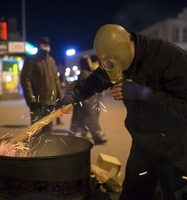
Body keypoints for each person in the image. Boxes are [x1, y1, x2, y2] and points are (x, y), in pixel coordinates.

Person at [56, 24, 187, 200]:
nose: (113, 71)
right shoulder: (112, 60)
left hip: (175, 147)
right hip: (142, 143)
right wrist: (73, 94)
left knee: (175, 194)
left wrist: (144, 93)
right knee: (133, 195)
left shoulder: (171, 57)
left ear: (125, 50)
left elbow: (183, 107)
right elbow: (94, 81)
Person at [20, 36, 62, 133]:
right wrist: (31, 100)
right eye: (44, 44)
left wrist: (60, 97)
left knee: (48, 130)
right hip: (37, 103)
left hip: (51, 103)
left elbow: (56, 80)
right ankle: (35, 148)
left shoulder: (51, 61)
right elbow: (25, 79)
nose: (46, 46)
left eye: (47, 44)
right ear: (39, 45)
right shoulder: (31, 59)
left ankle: (47, 148)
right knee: (36, 130)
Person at [69, 55, 107, 145]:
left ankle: (72, 138)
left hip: (84, 103)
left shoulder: (86, 72)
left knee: (81, 121)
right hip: (84, 103)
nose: (90, 63)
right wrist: (87, 102)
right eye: (89, 61)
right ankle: (70, 139)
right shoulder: (84, 73)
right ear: (85, 63)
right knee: (81, 121)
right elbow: (84, 89)